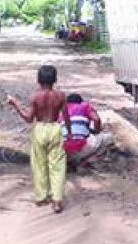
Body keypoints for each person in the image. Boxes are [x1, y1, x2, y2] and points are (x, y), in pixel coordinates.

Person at [7, 65, 71, 214]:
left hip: (40, 129)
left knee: (39, 164)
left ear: (38, 80)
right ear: (55, 79)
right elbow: (66, 116)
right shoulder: (60, 95)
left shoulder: (34, 96)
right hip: (55, 128)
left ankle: (41, 197)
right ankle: (57, 200)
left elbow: (29, 118)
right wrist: (70, 133)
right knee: (57, 166)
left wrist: (15, 104)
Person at [63, 94, 110, 169]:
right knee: (107, 138)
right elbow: (96, 119)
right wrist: (97, 131)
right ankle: (85, 162)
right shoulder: (85, 106)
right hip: (80, 147)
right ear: (80, 102)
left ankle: (68, 162)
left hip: (63, 151)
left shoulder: (61, 111)